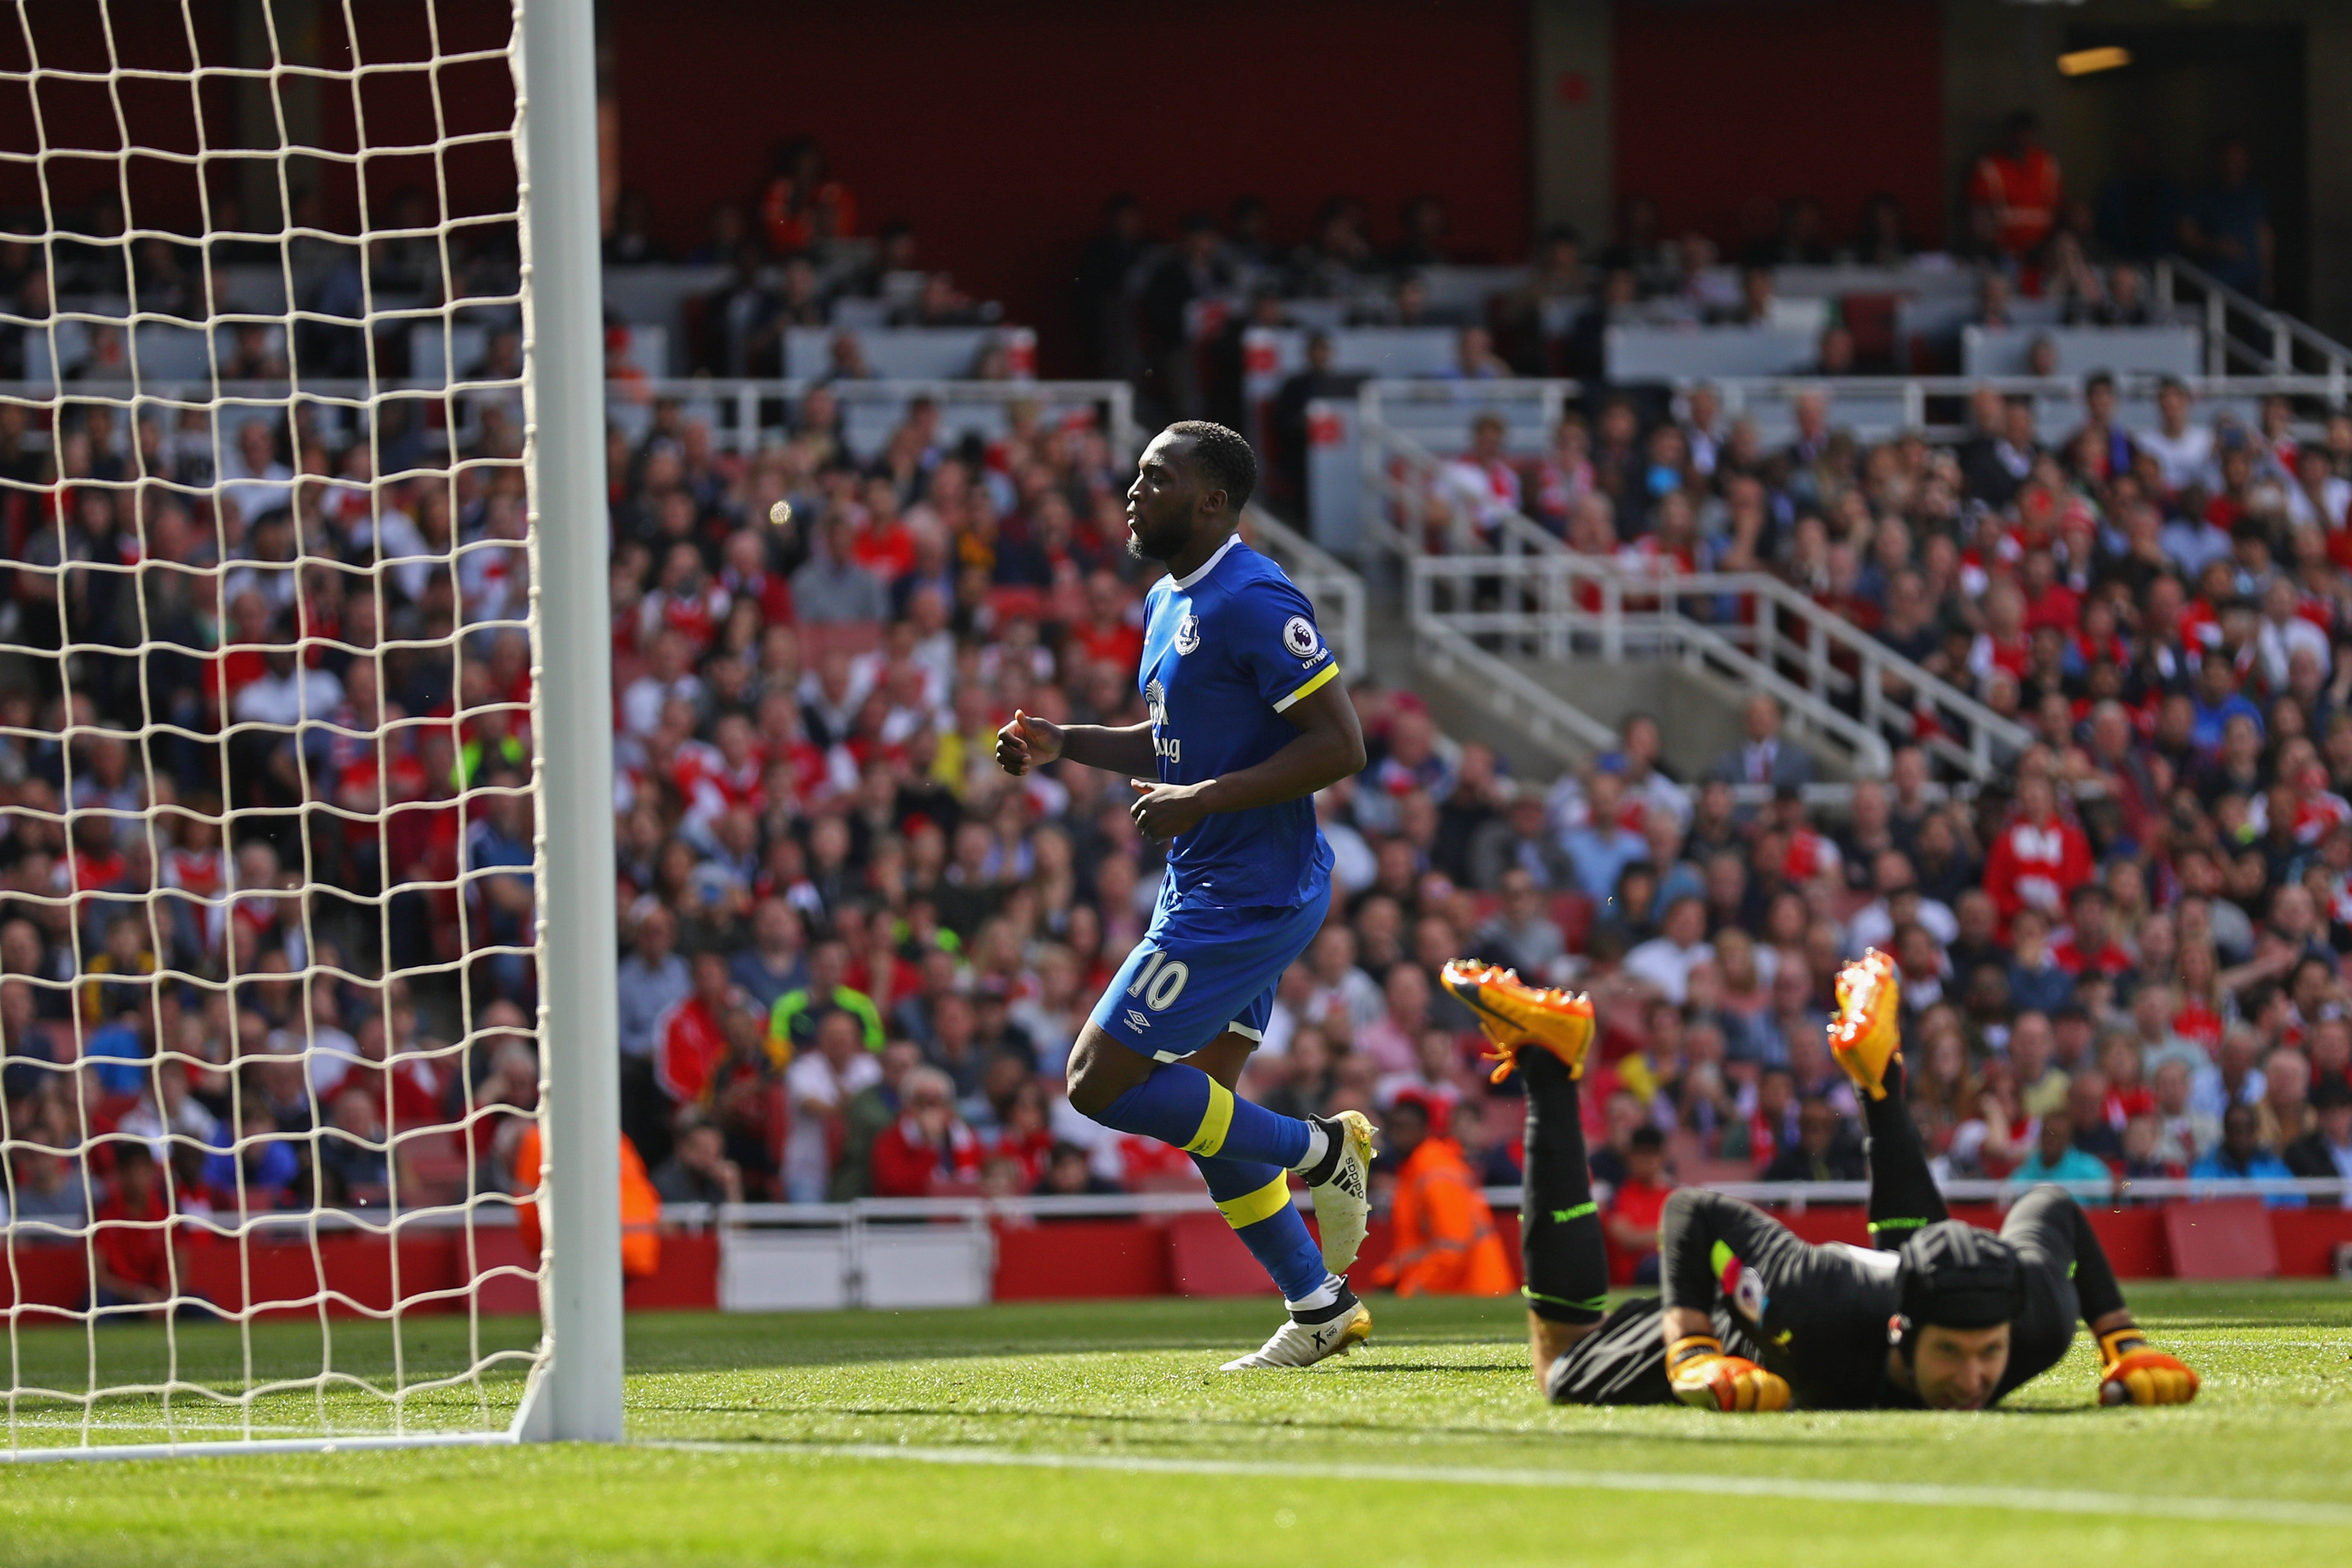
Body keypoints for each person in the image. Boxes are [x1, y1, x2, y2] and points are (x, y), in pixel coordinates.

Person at [996, 420, 1377, 1371]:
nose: (1133, 491)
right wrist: (1068, 742)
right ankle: (1317, 1303)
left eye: (1156, 478)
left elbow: (1341, 746)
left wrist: (1205, 799)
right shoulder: (1170, 598)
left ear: (1213, 501)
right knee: (1201, 1106)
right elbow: (1176, 742)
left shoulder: (1255, 598)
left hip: (1245, 895)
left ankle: (1324, 1149)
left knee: (1098, 1081)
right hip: (1212, 881)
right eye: (1136, 475)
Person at [1442, 951, 2197, 1412]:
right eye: (1953, 1357)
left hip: (1903, 1275)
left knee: (1936, 1250)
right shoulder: (1820, 1305)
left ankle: (1880, 1085)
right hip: (1759, 1328)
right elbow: (1693, 1213)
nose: (1975, 1379)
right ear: (1903, 1332)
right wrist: (1693, 1350)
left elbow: (2052, 1205)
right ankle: (1549, 1068)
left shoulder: (2029, 1325)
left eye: (1986, 1355)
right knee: (1564, 1365)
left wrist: (2121, 1343)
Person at [1364, 1092, 1512, 1297]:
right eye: (1393, 1128)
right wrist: (1385, 1279)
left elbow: (1453, 1249)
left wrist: (1411, 1291)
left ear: (1425, 1129)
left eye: (1405, 1128)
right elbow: (1414, 1249)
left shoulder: (1436, 1173)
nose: (1397, 1136)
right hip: (1468, 1290)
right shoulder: (1415, 1171)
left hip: (1475, 1291)